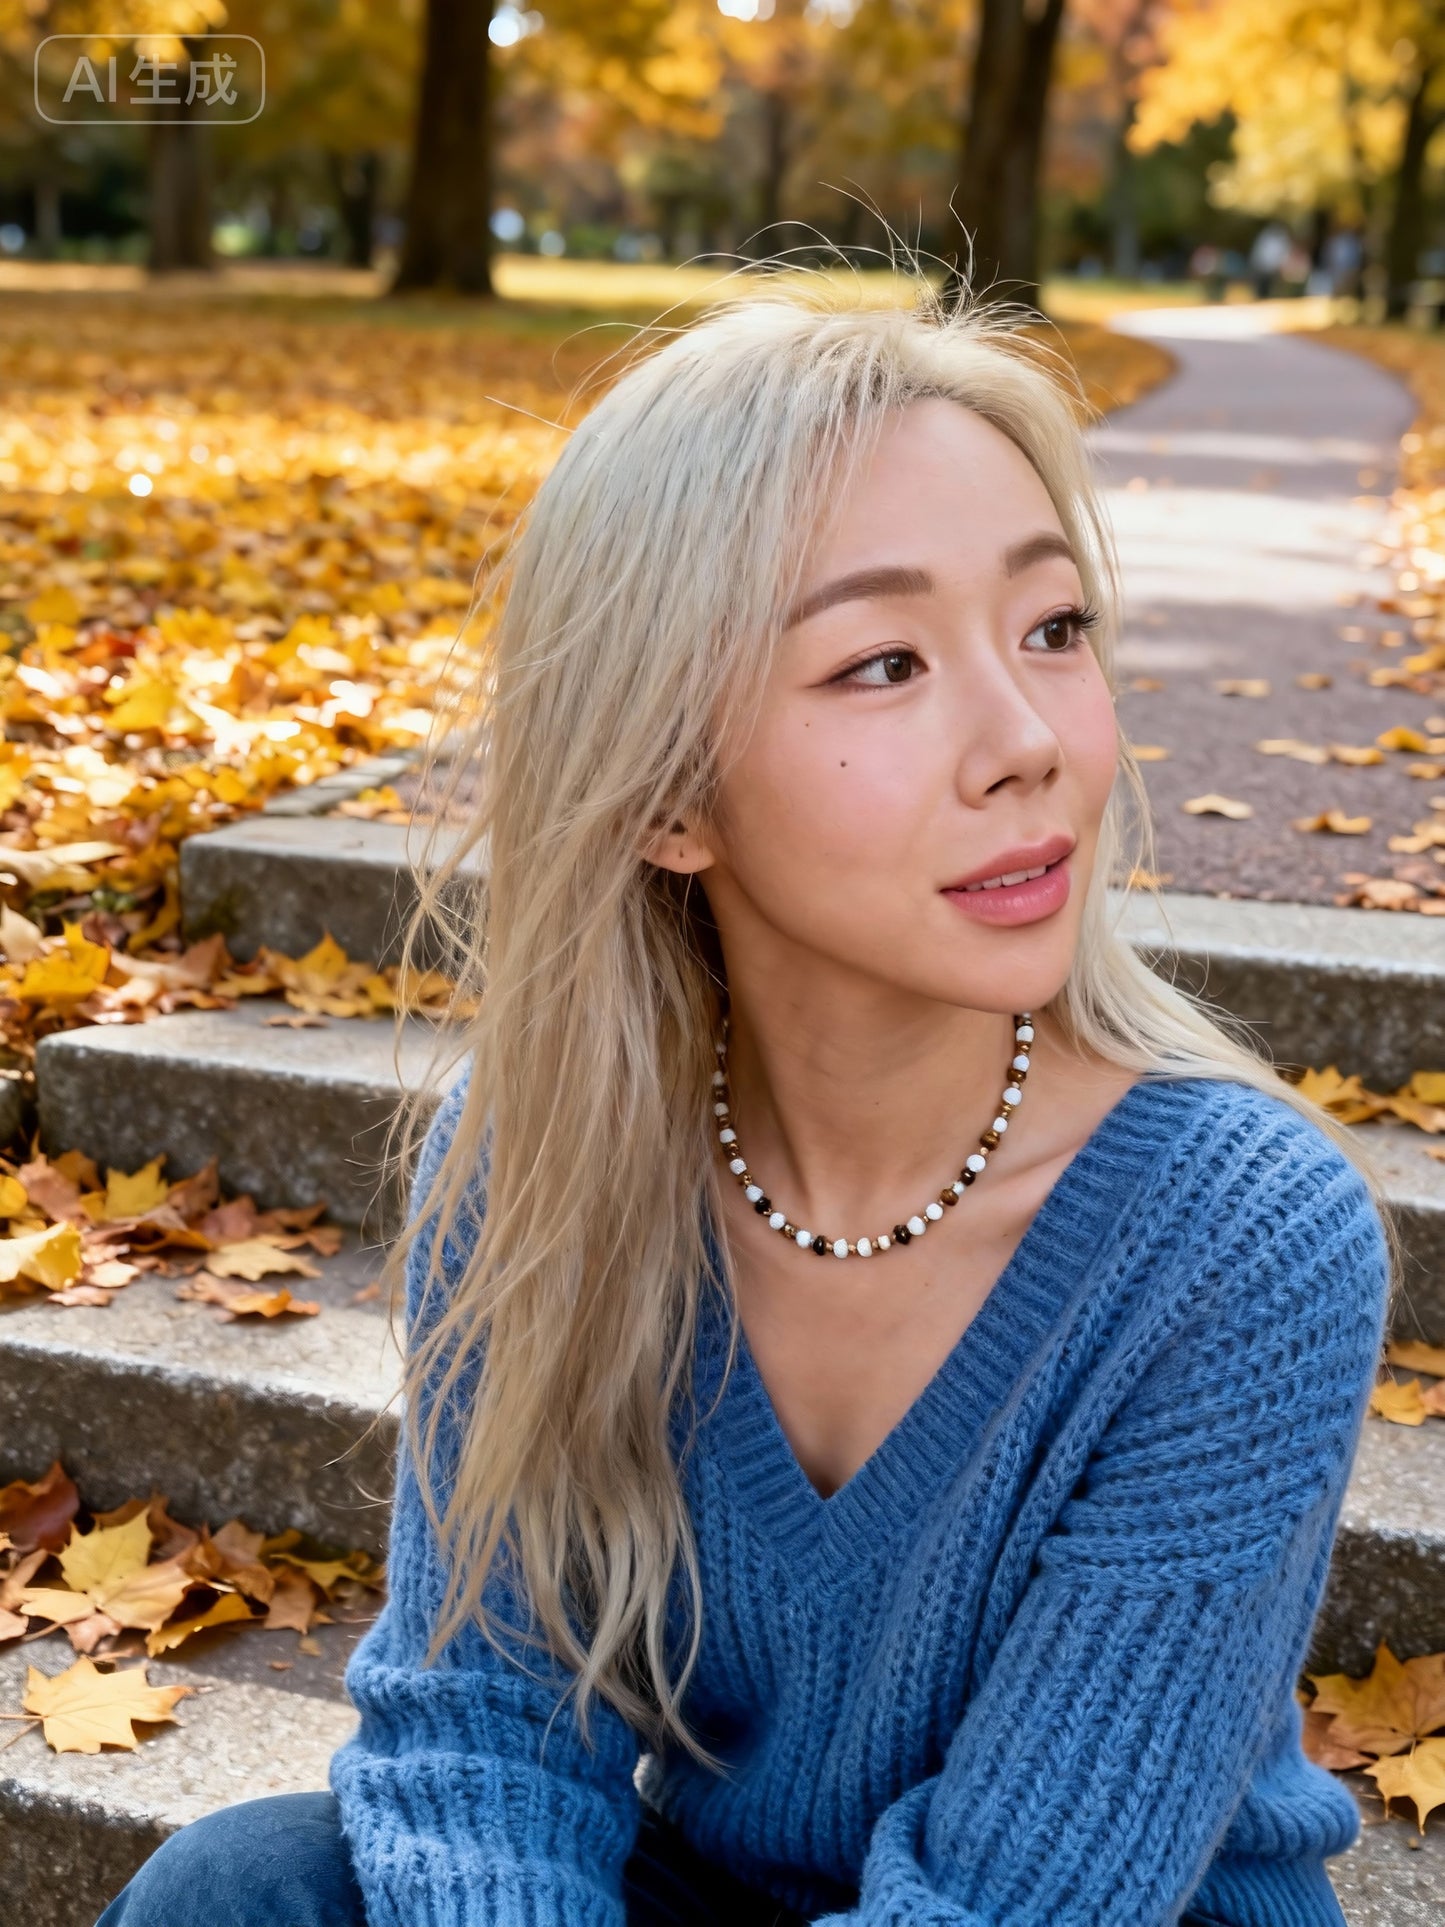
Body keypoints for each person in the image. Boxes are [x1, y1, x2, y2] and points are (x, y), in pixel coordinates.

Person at [97, 272, 1398, 1927]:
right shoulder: (548, 1167)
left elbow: (1019, 1906)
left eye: (1052, 628)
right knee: (239, 1891)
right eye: (879, 664)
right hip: (719, 1887)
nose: (1028, 742)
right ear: (665, 799)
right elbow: (486, 1721)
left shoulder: (1237, 1240)